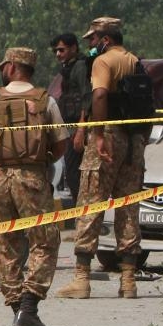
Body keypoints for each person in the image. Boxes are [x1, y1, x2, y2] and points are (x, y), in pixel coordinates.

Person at [0, 47, 68, 326]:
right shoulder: (46, 101)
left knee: (4, 243)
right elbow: (61, 144)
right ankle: (28, 309)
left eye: (5, 66)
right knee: (46, 239)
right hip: (32, 177)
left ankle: (20, 311)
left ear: (13, 66)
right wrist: (38, 161)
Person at [57, 17, 148, 300]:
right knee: (128, 206)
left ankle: (82, 279)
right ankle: (129, 281)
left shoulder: (103, 62)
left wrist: (95, 134)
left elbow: (98, 96)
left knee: (90, 203)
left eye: (93, 40)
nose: (90, 46)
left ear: (105, 39)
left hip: (108, 136)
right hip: (133, 139)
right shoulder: (134, 61)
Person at [50, 32, 90, 202]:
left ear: (73, 48)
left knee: (75, 175)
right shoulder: (68, 68)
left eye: (61, 50)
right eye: (56, 51)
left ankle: (84, 215)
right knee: (73, 175)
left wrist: (81, 129)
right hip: (71, 128)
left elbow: (87, 97)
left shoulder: (80, 67)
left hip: (79, 129)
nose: (58, 54)